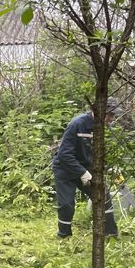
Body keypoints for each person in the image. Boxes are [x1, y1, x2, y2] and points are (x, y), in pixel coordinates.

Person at [52, 99, 122, 238]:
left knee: (103, 198)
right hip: (65, 169)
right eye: (110, 114)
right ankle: (64, 236)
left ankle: (111, 235)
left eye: (113, 115)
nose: (112, 119)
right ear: (100, 111)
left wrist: (108, 168)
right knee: (66, 204)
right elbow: (64, 155)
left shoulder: (103, 127)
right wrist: (83, 173)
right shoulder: (77, 124)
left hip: (87, 169)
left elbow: (98, 153)